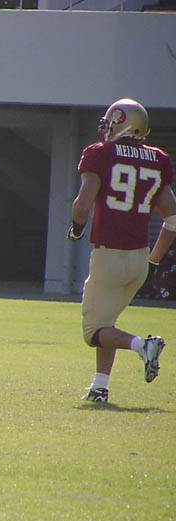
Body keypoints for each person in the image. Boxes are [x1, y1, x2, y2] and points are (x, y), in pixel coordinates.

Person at [68, 98, 176, 404]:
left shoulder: (100, 153)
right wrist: (154, 261)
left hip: (109, 256)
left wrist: (76, 229)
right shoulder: (157, 158)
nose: (106, 127)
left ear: (123, 124)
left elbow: (82, 206)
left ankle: (143, 345)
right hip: (140, 257)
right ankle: (99, 387)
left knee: (93, 331)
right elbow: (173, 219)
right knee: (107, 322)